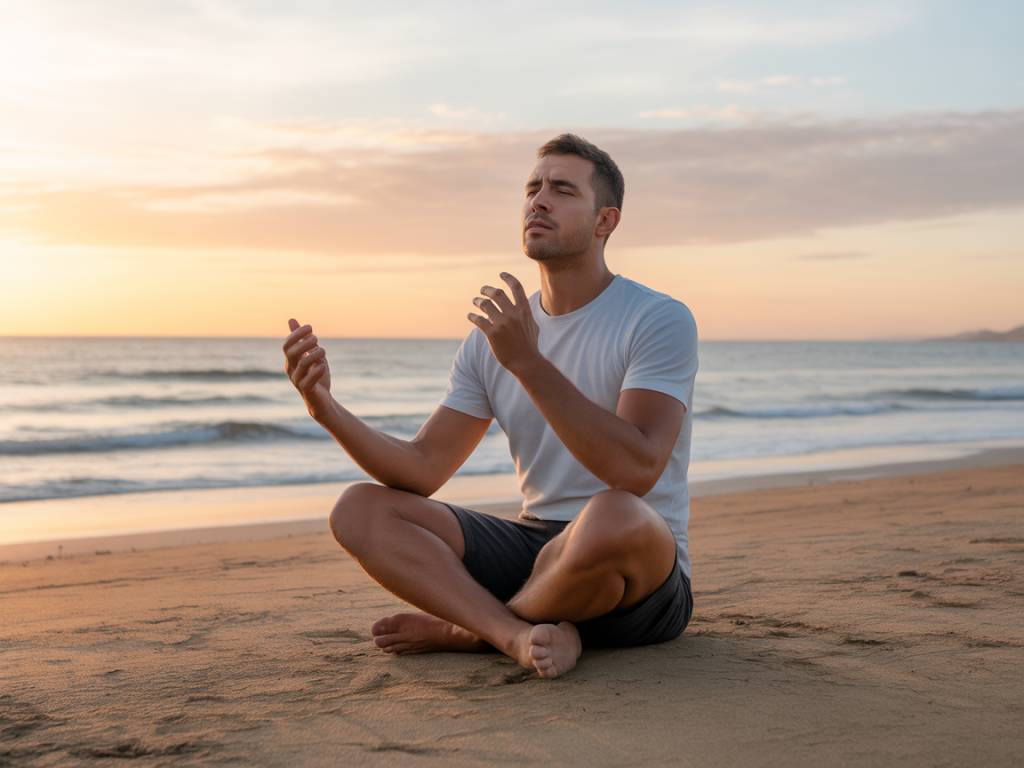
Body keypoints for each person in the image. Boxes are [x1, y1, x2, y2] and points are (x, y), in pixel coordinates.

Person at [283, 134, 697, 679]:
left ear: (605, 222)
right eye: (533, 188)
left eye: (563, 190)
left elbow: (637, 470)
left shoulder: (656, 319)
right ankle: (518, 634)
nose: (539, 201)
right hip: (536, 547)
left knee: (611, 512)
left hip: (638, 569)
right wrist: (325, 408)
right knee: (358, 509)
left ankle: (471, 630)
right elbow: (422, 469)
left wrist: (529, 363)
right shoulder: (492, 338)